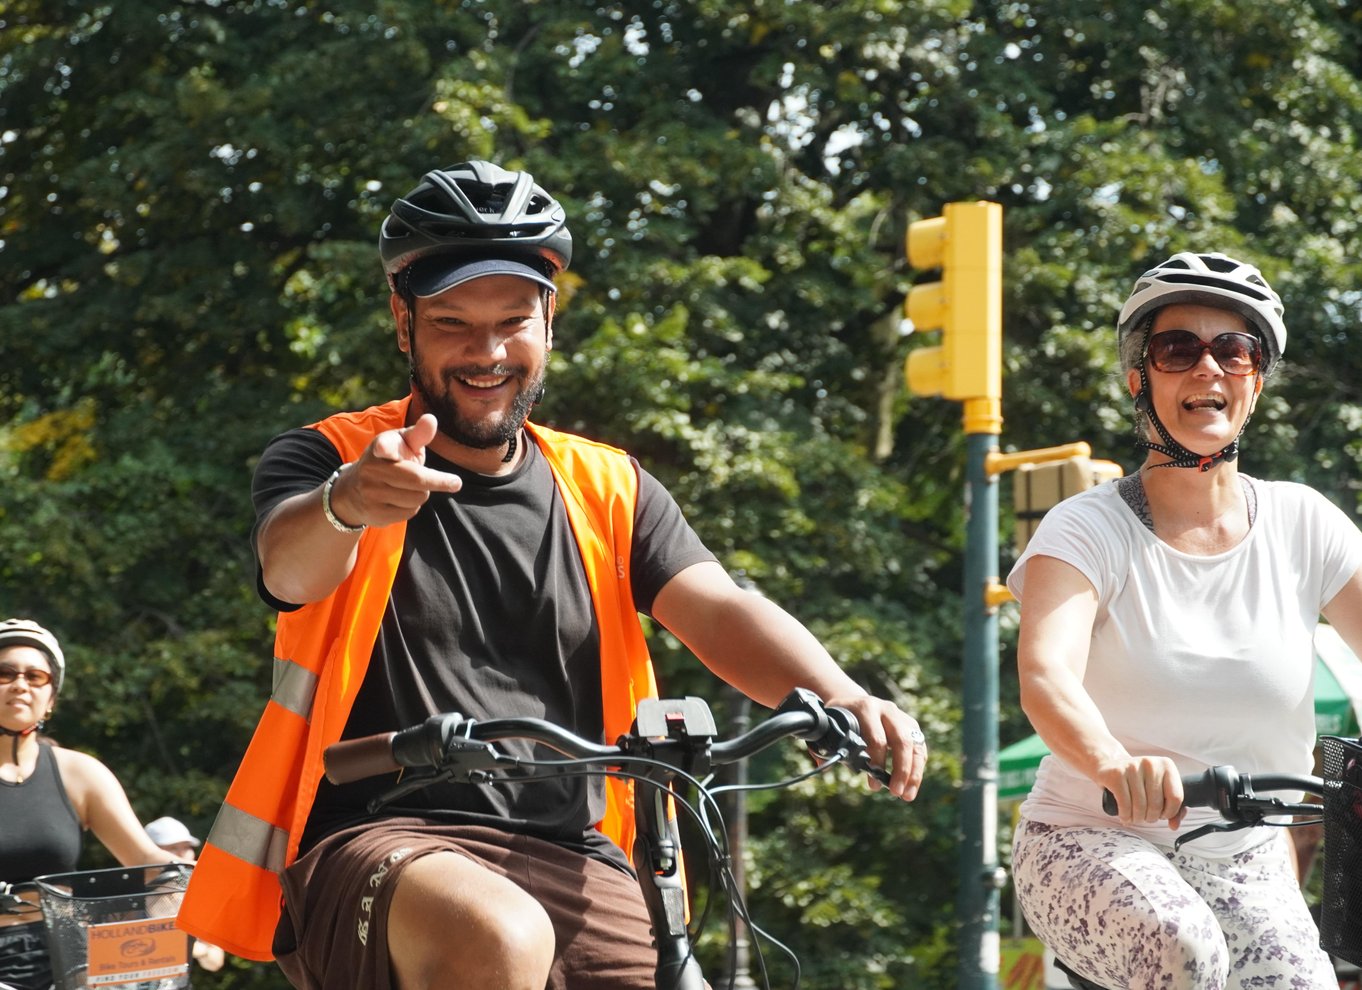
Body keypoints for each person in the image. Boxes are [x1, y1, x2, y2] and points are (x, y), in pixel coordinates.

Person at [179, 159, 929, 990]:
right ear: (403, 322)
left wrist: (841, 694)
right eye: (453, 323)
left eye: (513, 322)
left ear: (549, 320)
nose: (487, 353)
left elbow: (718, 608)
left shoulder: (610, 486)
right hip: (379, 836)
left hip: (574, 850)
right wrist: (348, 502)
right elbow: (289, 569)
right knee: (499, 937)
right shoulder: (331, 457)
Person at [1007, 252, 1362, 990]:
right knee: (1183, 947)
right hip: (1087, 838)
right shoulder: (1085, 528)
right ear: (1139, 379)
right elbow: (1046, 675)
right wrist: (1112, 764)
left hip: (1246, 855)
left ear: (1256, 380)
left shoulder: (1305, 522)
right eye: (1177, 349)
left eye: (1234, 350)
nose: (1208, 367)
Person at [0, 618, 180, 990]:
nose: (20, 684)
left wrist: (189, 880)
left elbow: (148, 861)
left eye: (35, 676)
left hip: (67, 958)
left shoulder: (80, 774)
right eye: (4, 673)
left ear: (51, 699)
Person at [144, 817, 226, 973]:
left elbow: (215, 962)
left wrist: (195, 948)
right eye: (173, 848)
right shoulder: (128, 896)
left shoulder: (197, 898)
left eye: (187, 847)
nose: (183, 854)